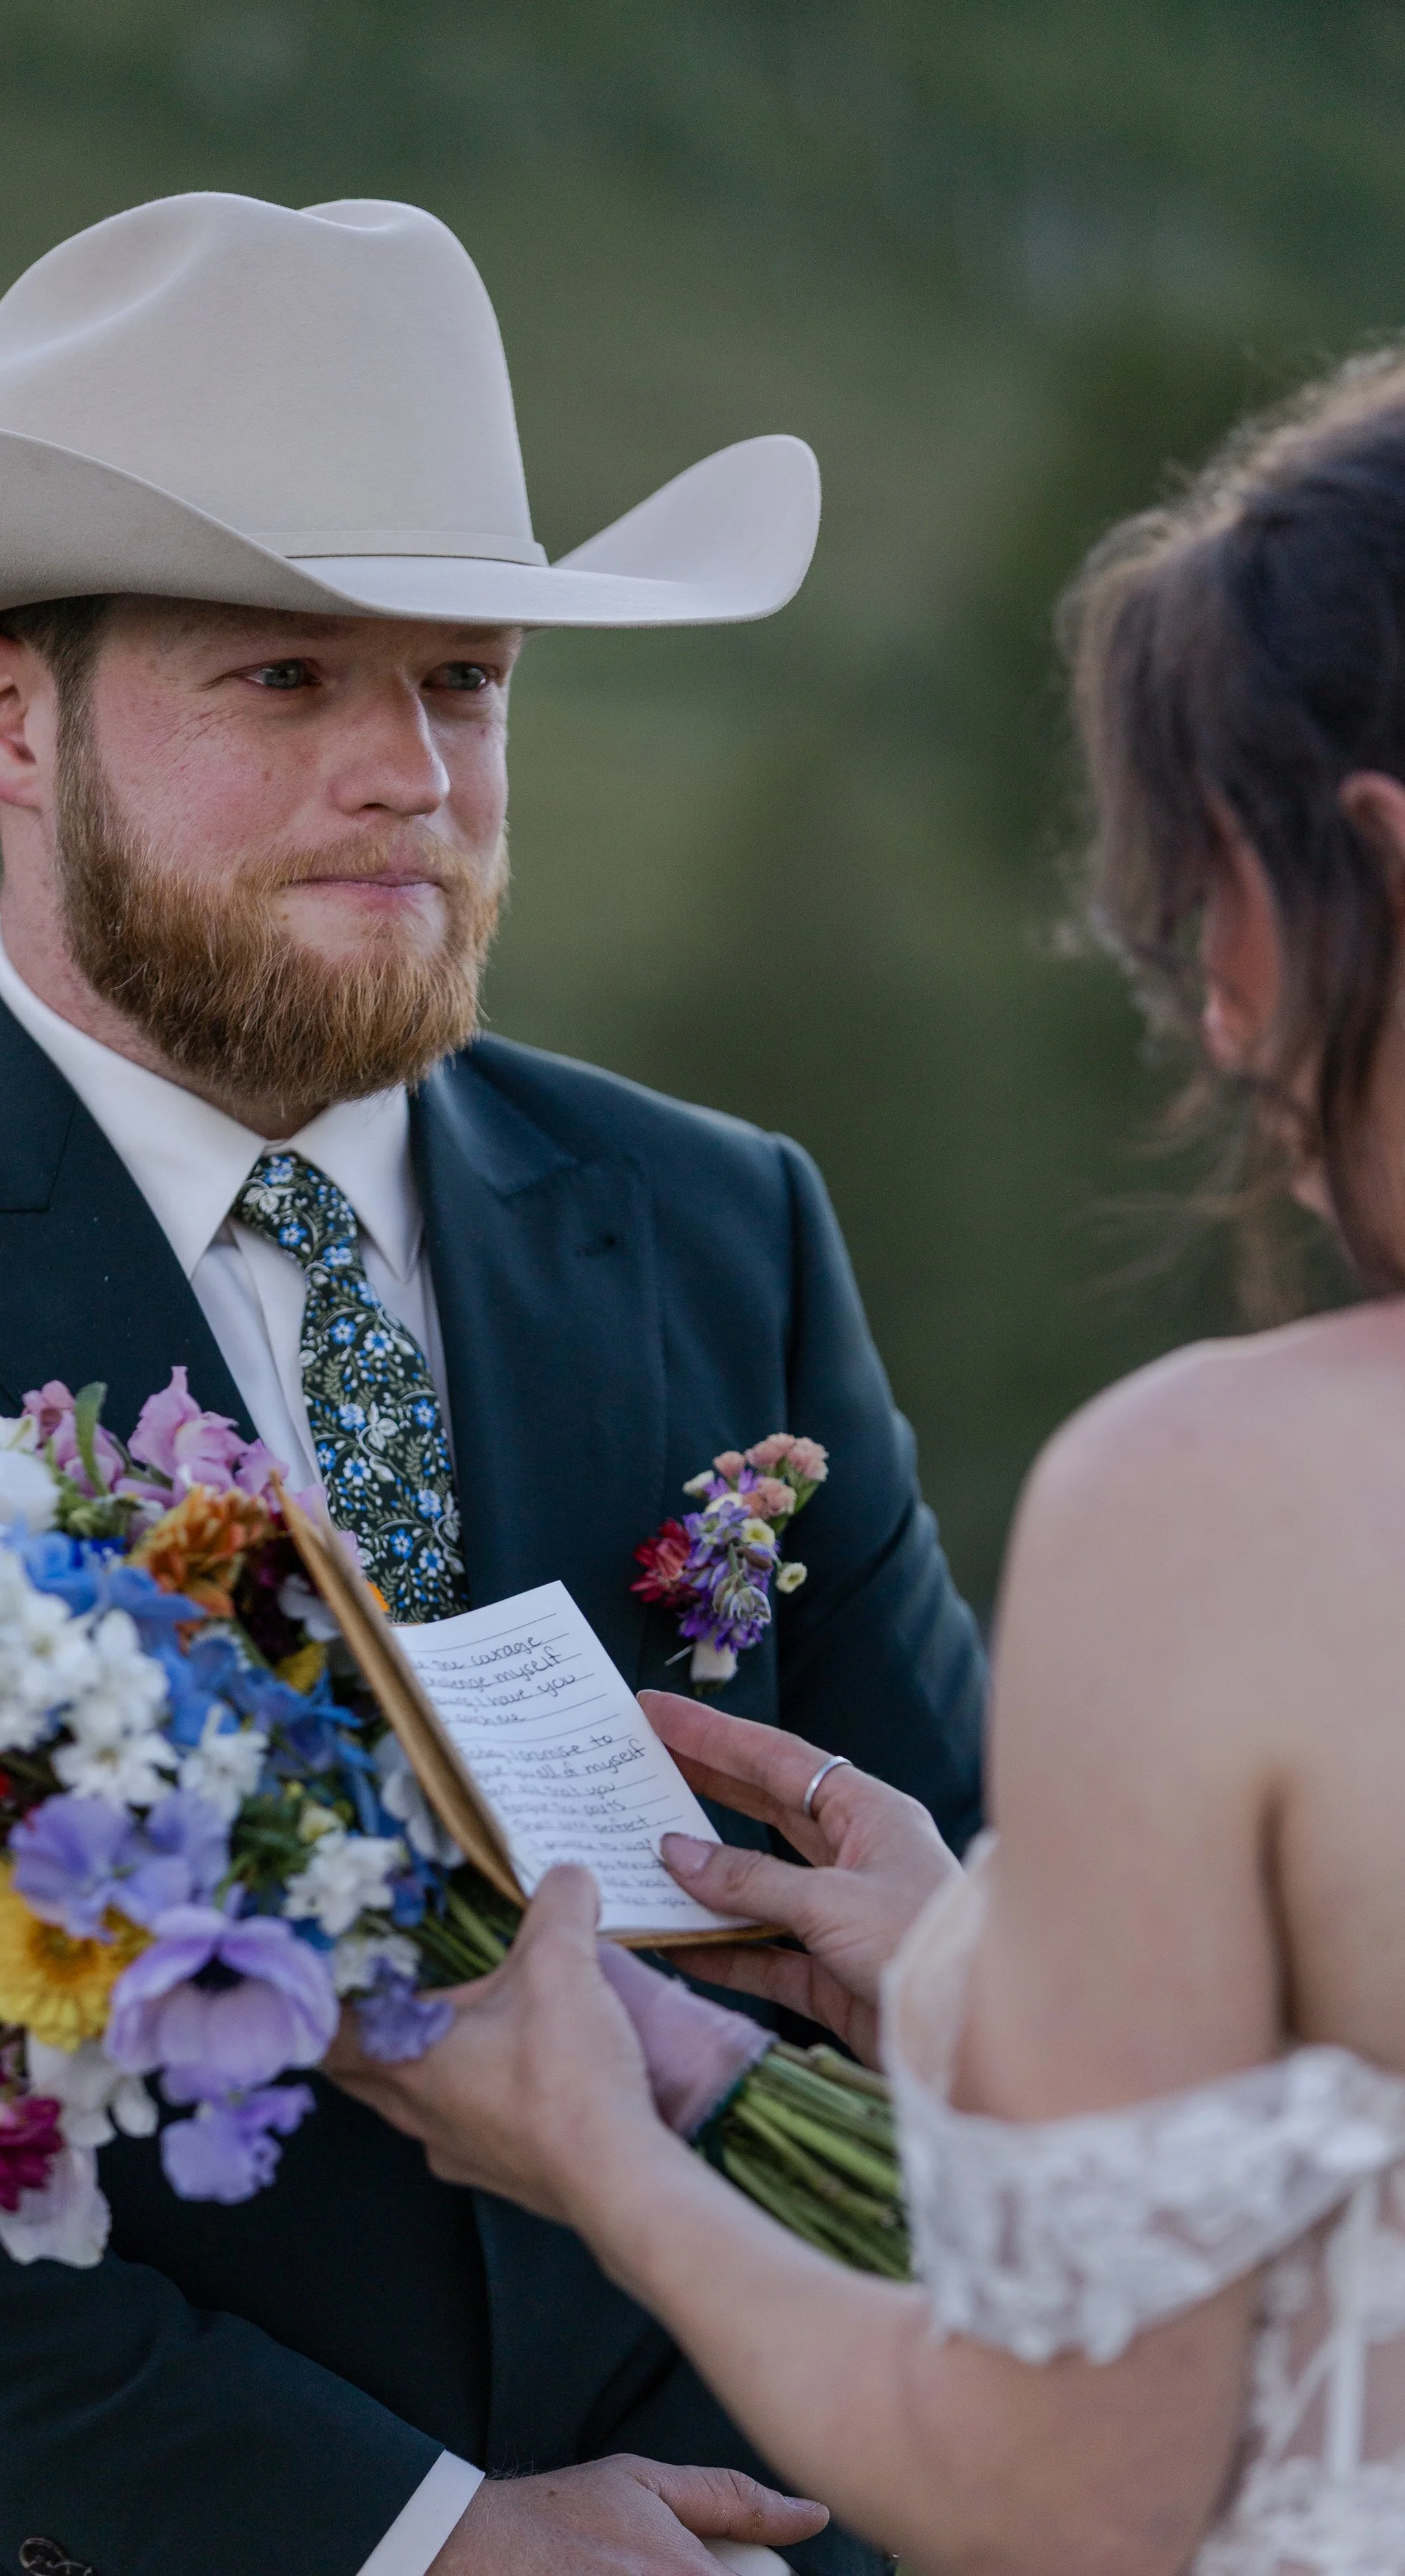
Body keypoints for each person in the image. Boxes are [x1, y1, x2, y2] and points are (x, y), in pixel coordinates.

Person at [0, 196, 984, 2576]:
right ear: (8, 716)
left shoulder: (723, 1226)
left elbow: (936, 1886)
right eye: (286, 679)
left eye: (465, 681)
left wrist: (984, 2024)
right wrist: (409, 2538)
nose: (408, 771)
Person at [333, 343, 1405, 2576]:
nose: (1221, 1022)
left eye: (1207, 907)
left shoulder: (1225, 1500)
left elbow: (1070, 2497)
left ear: (1373, 858)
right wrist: (962, 1993)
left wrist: (602, 2156)